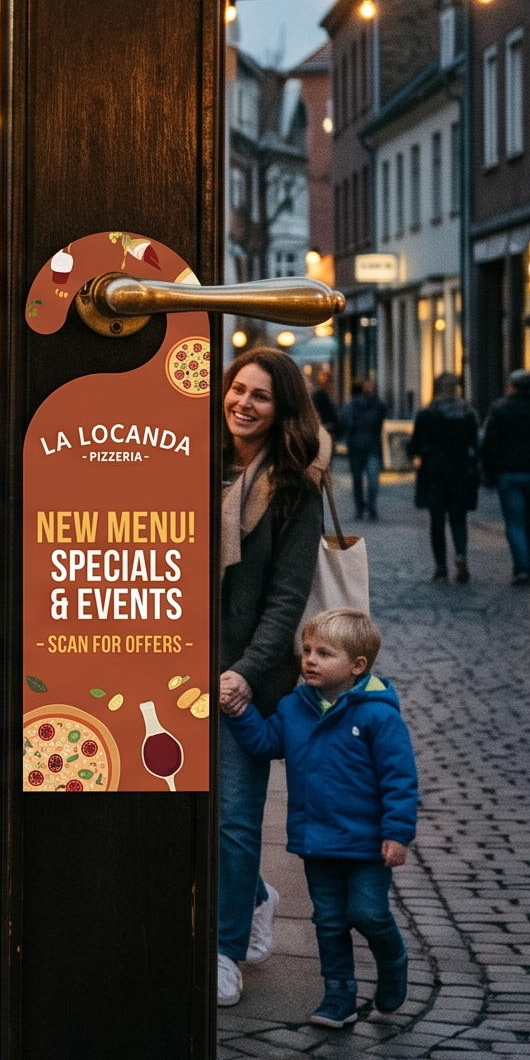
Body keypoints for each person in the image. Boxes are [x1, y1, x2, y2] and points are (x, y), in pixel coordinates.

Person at [221, 608, 419, 1030]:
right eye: (307, 650)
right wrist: (240, 713)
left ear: (357, 665)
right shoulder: (295, 707)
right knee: (328, 922)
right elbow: (266, 743)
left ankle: (393, 961)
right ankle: (339, 995)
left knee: (367, 914)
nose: (310, 660)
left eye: (324, 654)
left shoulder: (378, 715)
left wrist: (397, 833)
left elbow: (400, 779)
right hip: (318, 842)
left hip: (368, 845)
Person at [211, 345, 328, 1008]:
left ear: (282, 409)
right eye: (237, 389)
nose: (243, 403)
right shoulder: (194, 465)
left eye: (260, 395)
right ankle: (254, 896)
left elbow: (287, 599)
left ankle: (224, 951)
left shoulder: (294, 489)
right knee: (190, 810)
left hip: (244, 680)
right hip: (174, 668)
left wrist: (246, 674)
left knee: (233, 817)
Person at [480, 369, 530, 584]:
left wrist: (489, 472)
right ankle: (528, 562)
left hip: (509, 473)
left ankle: (522, 566)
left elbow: (489, 444)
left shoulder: (501, 409)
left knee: (514, 523)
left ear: (511, 386)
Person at [409, 372, 480, 584]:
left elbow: (415, 444)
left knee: (437, 520)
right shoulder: (467, 413)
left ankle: (441, 568)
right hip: (460, 471)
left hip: (434, 472)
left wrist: (417, 455)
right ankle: (461, 555)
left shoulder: (427, 413)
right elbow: (475, 443)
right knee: (459, 518)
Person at [341, 376, 388, 520]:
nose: (369, 389)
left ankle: (371, 506)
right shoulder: (353, 405)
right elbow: (346, 423)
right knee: (357, 480)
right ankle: (360, 507)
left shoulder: (378, 405)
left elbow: (380, 422)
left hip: (371, 447)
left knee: (372, 480)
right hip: (356, 447)